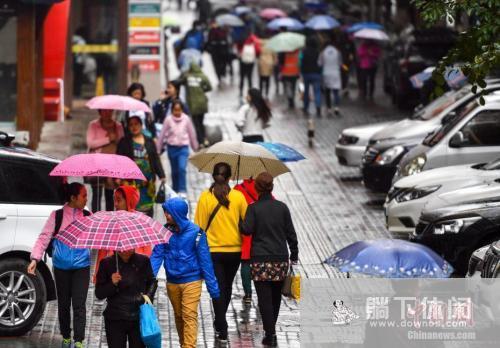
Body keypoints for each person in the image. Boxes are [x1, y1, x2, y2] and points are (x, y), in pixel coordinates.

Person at [28, 183, 91, 348]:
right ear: (73, 198)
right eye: (83, 195)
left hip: (82, 267)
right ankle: (66, 336)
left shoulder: (88, 215)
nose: (86, 199)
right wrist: (35, 259)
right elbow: (44, 237)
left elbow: (98, 236)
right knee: (63, 304)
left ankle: (78, 341)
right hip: (61, 268)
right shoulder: (57, 216)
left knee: (79, 305)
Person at [150, 198, 220, 348]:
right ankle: (185, 343)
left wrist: (213, 288)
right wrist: (148, 277)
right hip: (172, 282)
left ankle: (189, 346)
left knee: (189, 315)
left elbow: (205, 261)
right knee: (179, 316)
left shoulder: (197, 233)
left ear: (178, 213)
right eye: (165, 212)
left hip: (192, 281)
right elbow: (157, 255)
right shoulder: (164, 232)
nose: (166, 215)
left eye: (169, 212)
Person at [241, 172, 299, 347]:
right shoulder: (282, 208)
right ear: (271, 187)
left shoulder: (253, 208)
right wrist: (294, 254)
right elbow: (291, 234)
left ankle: (270, 332)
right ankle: (271, 328)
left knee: (264, 298)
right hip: (280, 259)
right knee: (275, 297)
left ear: (257, 188)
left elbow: (247, 230)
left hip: (260, 260)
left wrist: (239, 220)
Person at [194, 162, 248, 344]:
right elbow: (246, 224)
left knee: (218, 287)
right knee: (227, 286)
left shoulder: (204, 198)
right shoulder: (239, 197)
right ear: (230, 177)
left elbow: (199, 229)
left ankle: (221, 324)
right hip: (235, 251)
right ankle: (220, 321)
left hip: (213, 251)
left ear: (213, 176)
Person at [95, 249, 158, 348]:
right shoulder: (106, 263)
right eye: (122, 250)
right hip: (115, 317)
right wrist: (112, 284)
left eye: (130, 248)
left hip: (138, 316)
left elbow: (152, 282)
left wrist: (146, 298)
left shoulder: (143, 261)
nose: (126, 251)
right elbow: (99, 293)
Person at [92, 185, 152, 283]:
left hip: (135, 271)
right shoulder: (110, 221)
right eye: (114, 200)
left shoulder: (140, 221)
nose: (115, 204)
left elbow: (147, 251)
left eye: (119, 200)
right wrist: (98, 273)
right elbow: (102, 250)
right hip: (114, 272)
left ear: (129, 201)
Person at [117, 116, 166, 217]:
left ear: (141, 125)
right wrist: (118, 176)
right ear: (128, 127)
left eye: (136, 124)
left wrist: (161, 175)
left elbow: (155, 158)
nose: (134, 127)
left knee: (148, 206)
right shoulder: (124, 142)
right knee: (131, 206)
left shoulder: (149, 141)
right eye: (131, 125)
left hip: (148, 182)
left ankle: (148, 228)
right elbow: (118, 160)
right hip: (130, 181)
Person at [156, 99, 199, 194]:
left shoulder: (186, 119)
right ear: (172, 110)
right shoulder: (168, 120)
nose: (177, 112)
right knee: (174, 171)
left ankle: (182, 190)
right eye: (175, 110)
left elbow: (192, 133)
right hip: (172, 148)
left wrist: (195, 146)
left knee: (181, 168)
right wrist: (158, 149)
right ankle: (175, 190)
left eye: (179, 110)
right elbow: (162, 134)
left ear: (182, 110)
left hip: (183, 148)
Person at [86, 109, 124, 212]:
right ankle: (95, 219)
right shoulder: (93, 125)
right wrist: (108, 139)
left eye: (110, 111)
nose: (108, 113)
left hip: (112, 165)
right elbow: (90, 143)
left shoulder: (118, 126)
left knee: (110, 195)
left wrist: (116, 139)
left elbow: (122, 143)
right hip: (97, 164)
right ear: (100, 112)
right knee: (97, 194)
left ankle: (109, 220)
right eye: (105, 111)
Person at [233, 178, 259, 305]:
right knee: (260, 263)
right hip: (260, 232)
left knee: (246, 263)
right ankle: (261, 293)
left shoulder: (238, 189)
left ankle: (248, 293)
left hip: (244, 230)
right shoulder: (262, 188)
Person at [179, 63, 212, 146]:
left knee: (196, 124)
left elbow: (179, 81)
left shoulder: (187, 77)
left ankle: (200, 141)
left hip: (193, 105)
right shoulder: (203, 76)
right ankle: (205, 139)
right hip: (202, 104)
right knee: (201, 122)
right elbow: (209, 87)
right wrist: (202, 90)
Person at [319, 39, 343, 116]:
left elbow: (319, 63)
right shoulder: (337, 52)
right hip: (336, 73)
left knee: (327, 92)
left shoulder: (322, 53)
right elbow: (340, 63)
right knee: (336, 92)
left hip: (326, 73)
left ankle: (329, 109)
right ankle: (336, 108)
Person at [301, 36, 323, 118]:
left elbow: (302, 63)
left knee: (306, 92)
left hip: (306, 74)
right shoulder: (318, 52)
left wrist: (302, 72)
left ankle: (306, 108)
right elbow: (320, 63)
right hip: (316, 74)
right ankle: (318, 108)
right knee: (317, 92)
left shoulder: (304, 52)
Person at [237, 30, 261, 99]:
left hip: (242, 61)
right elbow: (258, 50)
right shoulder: (254, 39)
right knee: (249, 77)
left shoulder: (241, 38)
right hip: (251, 61)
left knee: (242, 77)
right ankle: (250, 92)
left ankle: (241, 92)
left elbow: (238, 48)